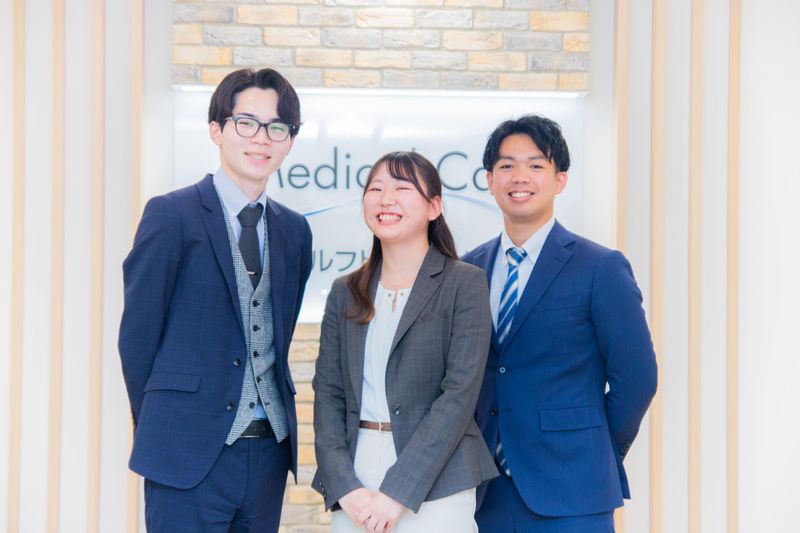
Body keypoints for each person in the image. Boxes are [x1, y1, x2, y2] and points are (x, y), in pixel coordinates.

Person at [118, 68, 312, 532]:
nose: (261, 138)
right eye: (246, 123)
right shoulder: (171, 215)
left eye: (277, 127)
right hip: (184, 449)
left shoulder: (294, 231)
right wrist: (166, 421)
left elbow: (278, 328)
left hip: (267, 453)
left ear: (289, 141)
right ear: (216, 130)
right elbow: (137, 339)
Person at [463, 115, 658, 532]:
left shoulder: (600, 267)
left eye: (536, 165)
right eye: (507, 165)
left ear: (560, 180)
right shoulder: (469, 269)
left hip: (573, 490)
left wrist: (592, 446)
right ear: (490, 180)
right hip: (488, 493)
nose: (520, 176)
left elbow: (637, 379)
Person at [312, 151, 498, 533]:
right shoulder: (345, 291)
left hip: (438, 479)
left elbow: (458, 396)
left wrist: (397, 491)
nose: (386, 199)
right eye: (376, 188)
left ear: (434, 207)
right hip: (356, 482)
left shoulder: (464, 283)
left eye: (402, 188)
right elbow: (328, 395)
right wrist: (345, 486)